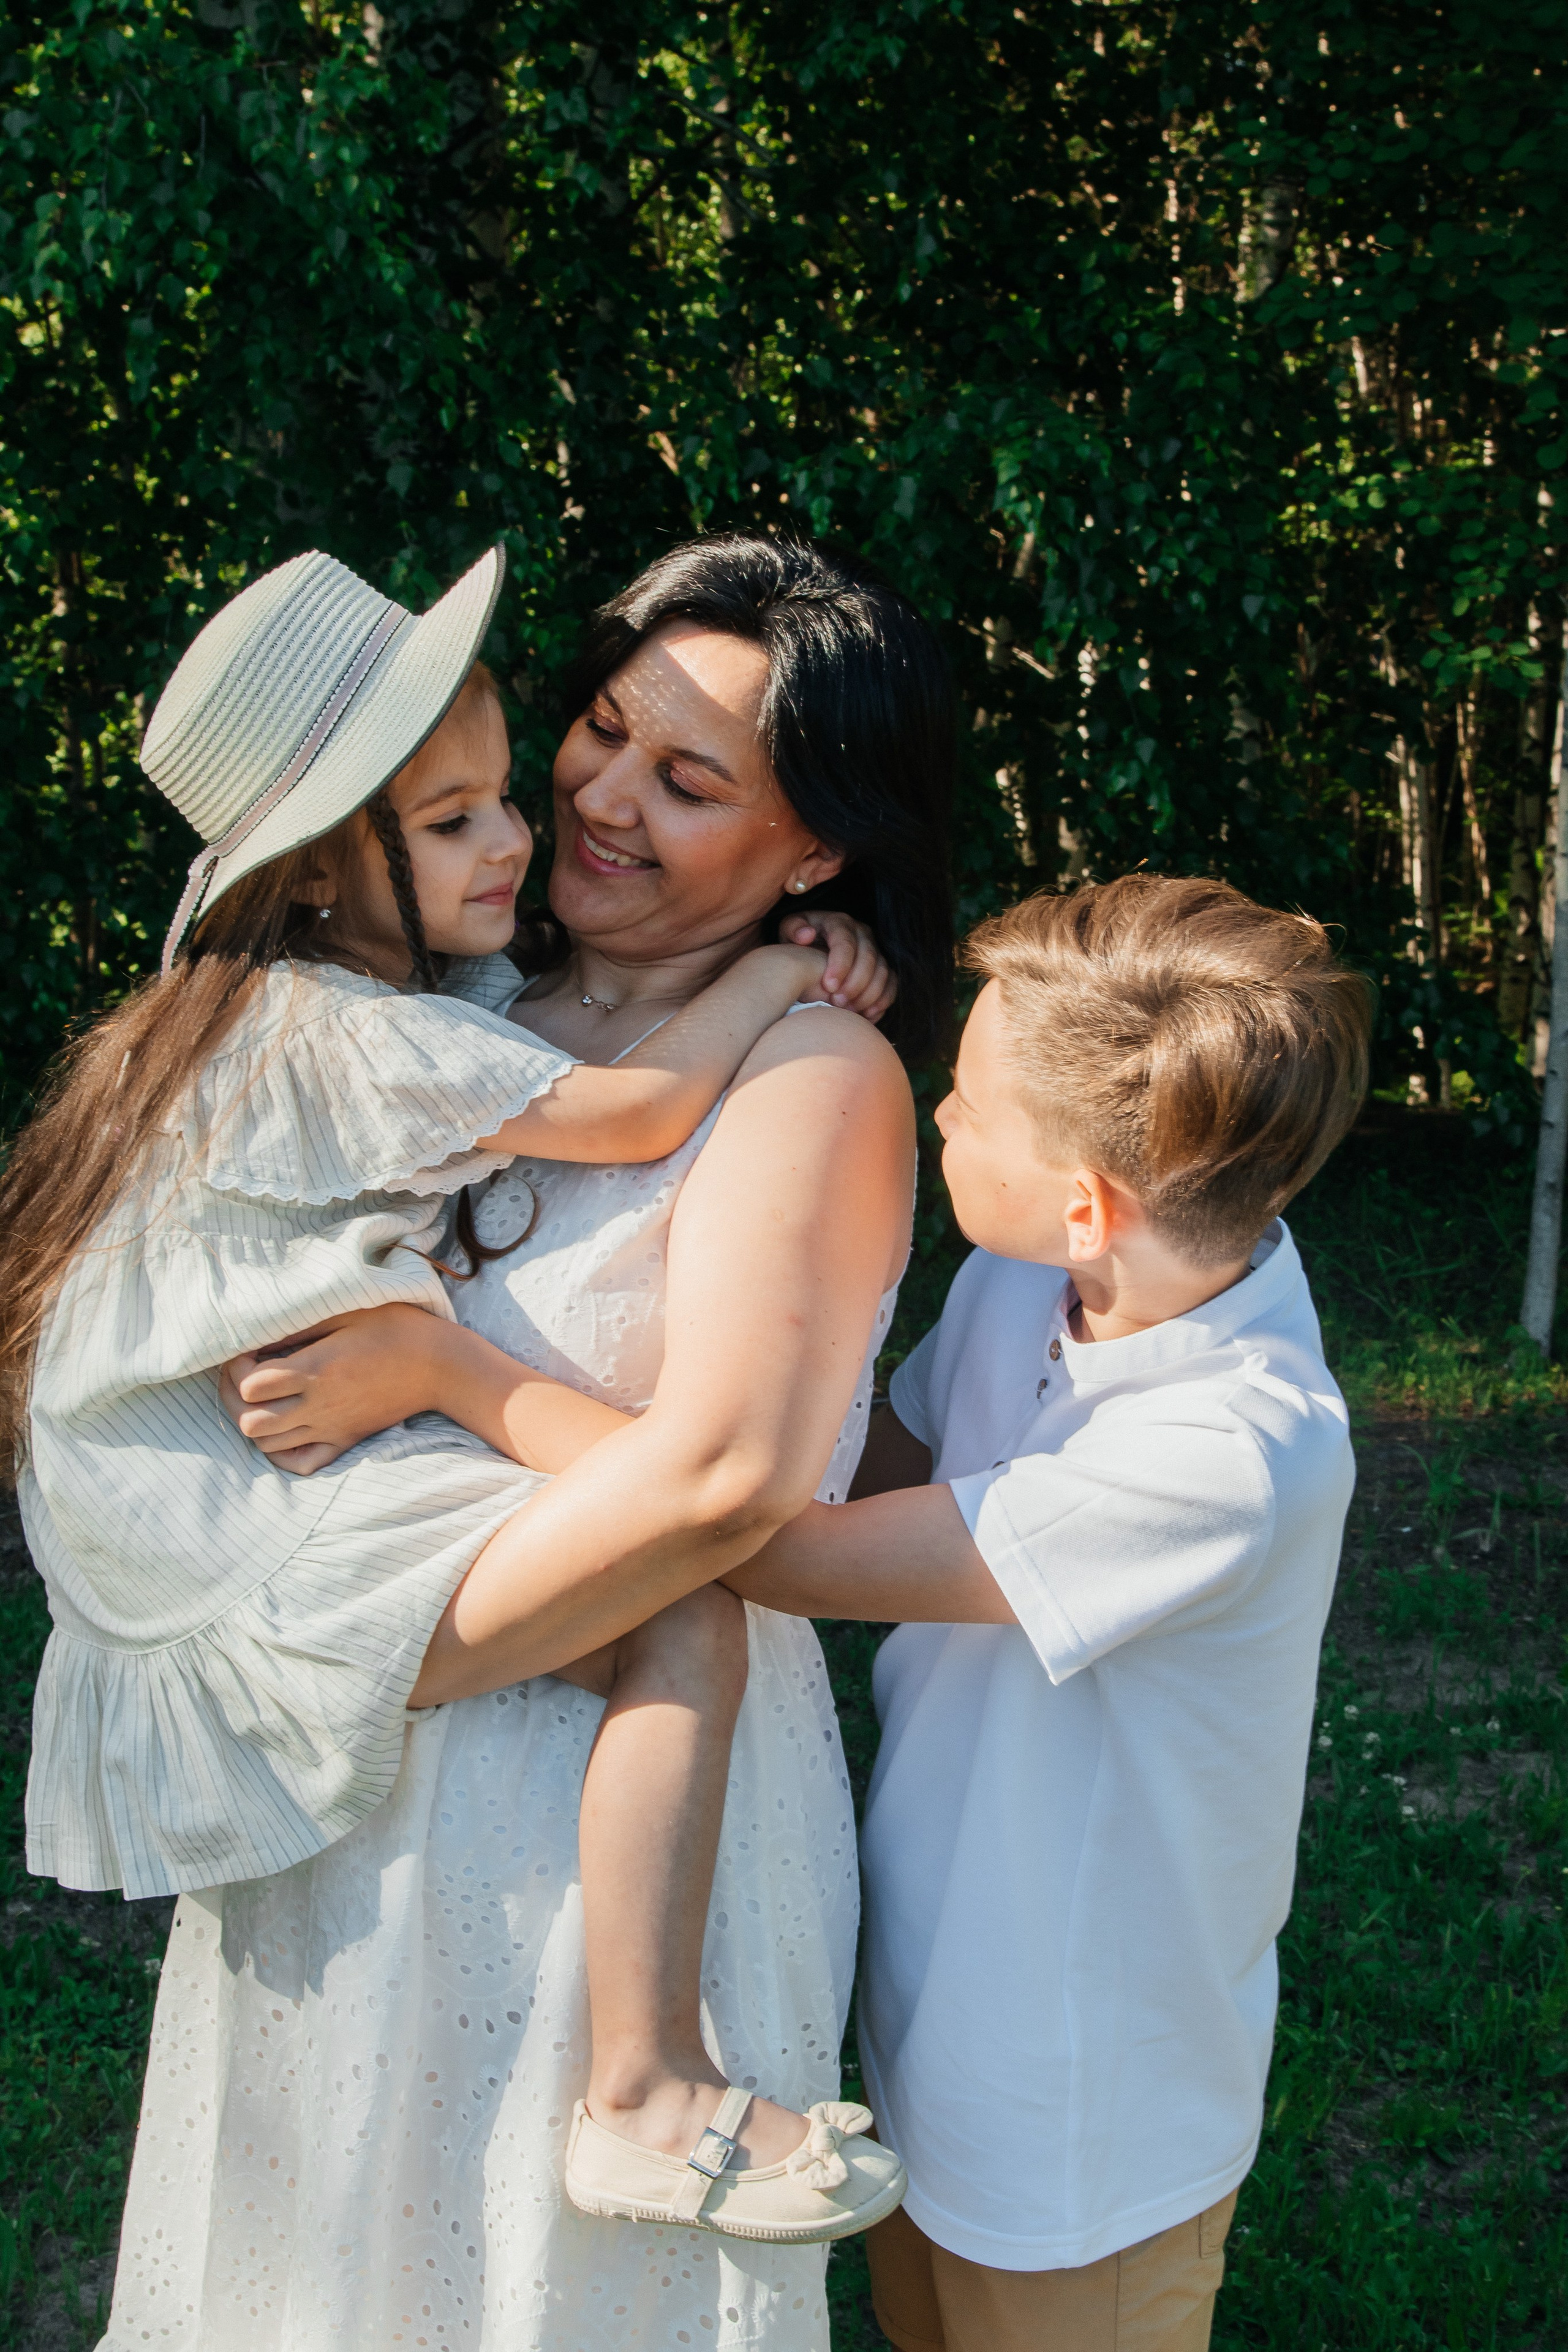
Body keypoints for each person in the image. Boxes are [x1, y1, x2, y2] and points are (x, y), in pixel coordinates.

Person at [89, 531, 954, 2347]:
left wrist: (438, 1384)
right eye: (605, 730)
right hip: (341, 1826)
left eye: (692, 778)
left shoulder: (811, 1072)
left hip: (600, 1854)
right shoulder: (454, 1012)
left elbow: (721, 1479)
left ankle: (655, 2089)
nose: (605, 799)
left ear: (817, 854)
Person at [722, 875, 1374, 2352]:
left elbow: (787, 1557)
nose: (933, 1114)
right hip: (932, 2012)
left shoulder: (1226, 1455)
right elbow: (898, 1472)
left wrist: (465, 1389)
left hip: (1082, 2113)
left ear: (1085, 1200)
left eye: (959, 1102)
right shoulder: (1050, 1279)